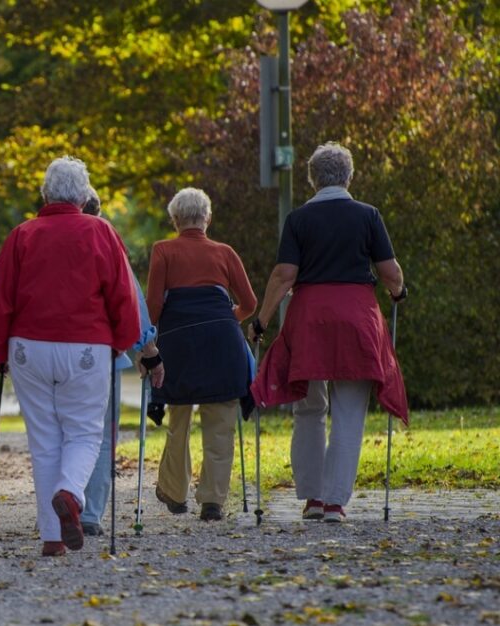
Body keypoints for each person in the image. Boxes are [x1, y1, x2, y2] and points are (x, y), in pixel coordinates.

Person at [0, 156, 140, 557]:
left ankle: (52, 537)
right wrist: (123, 340)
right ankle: (70, 493)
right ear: (84, 195)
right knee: (84, 432)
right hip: (86, 345)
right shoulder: (101, 231)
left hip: (29, 347)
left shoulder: (22, 235)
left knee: (44, 439)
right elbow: (122, 294)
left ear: (45, 194)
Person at [249, 142, 408, 523]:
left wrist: (261, 320)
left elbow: (284, 275)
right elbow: (389, 272)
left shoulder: (298, 219)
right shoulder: (368, 215)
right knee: (349, 410)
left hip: (309, 319)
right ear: (349, 176)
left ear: (312, 179)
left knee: (308, 407)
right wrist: (399, 291)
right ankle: (336, 502)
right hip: (357, 318)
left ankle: (313, 499)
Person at [145, 187, 257, 522]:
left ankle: (175, 492)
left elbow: (153, 307)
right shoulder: (225, 252)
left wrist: (147, 345)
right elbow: (250, 304)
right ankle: (212, 501)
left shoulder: (162, 250)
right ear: (207, 218)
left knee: (179, 420)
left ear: (175, 220)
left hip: (178, 345)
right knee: (221, 422)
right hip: (222, 345)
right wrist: (223, 320)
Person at [79, 188, 159, 537]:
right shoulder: (108, 243)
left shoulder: (41, 241)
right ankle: (91, 513)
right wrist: (149, 353)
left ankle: (61, 506)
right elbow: (133, 301)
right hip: (102, 354)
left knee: (62, 434)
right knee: (99, 434)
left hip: (49, 352)